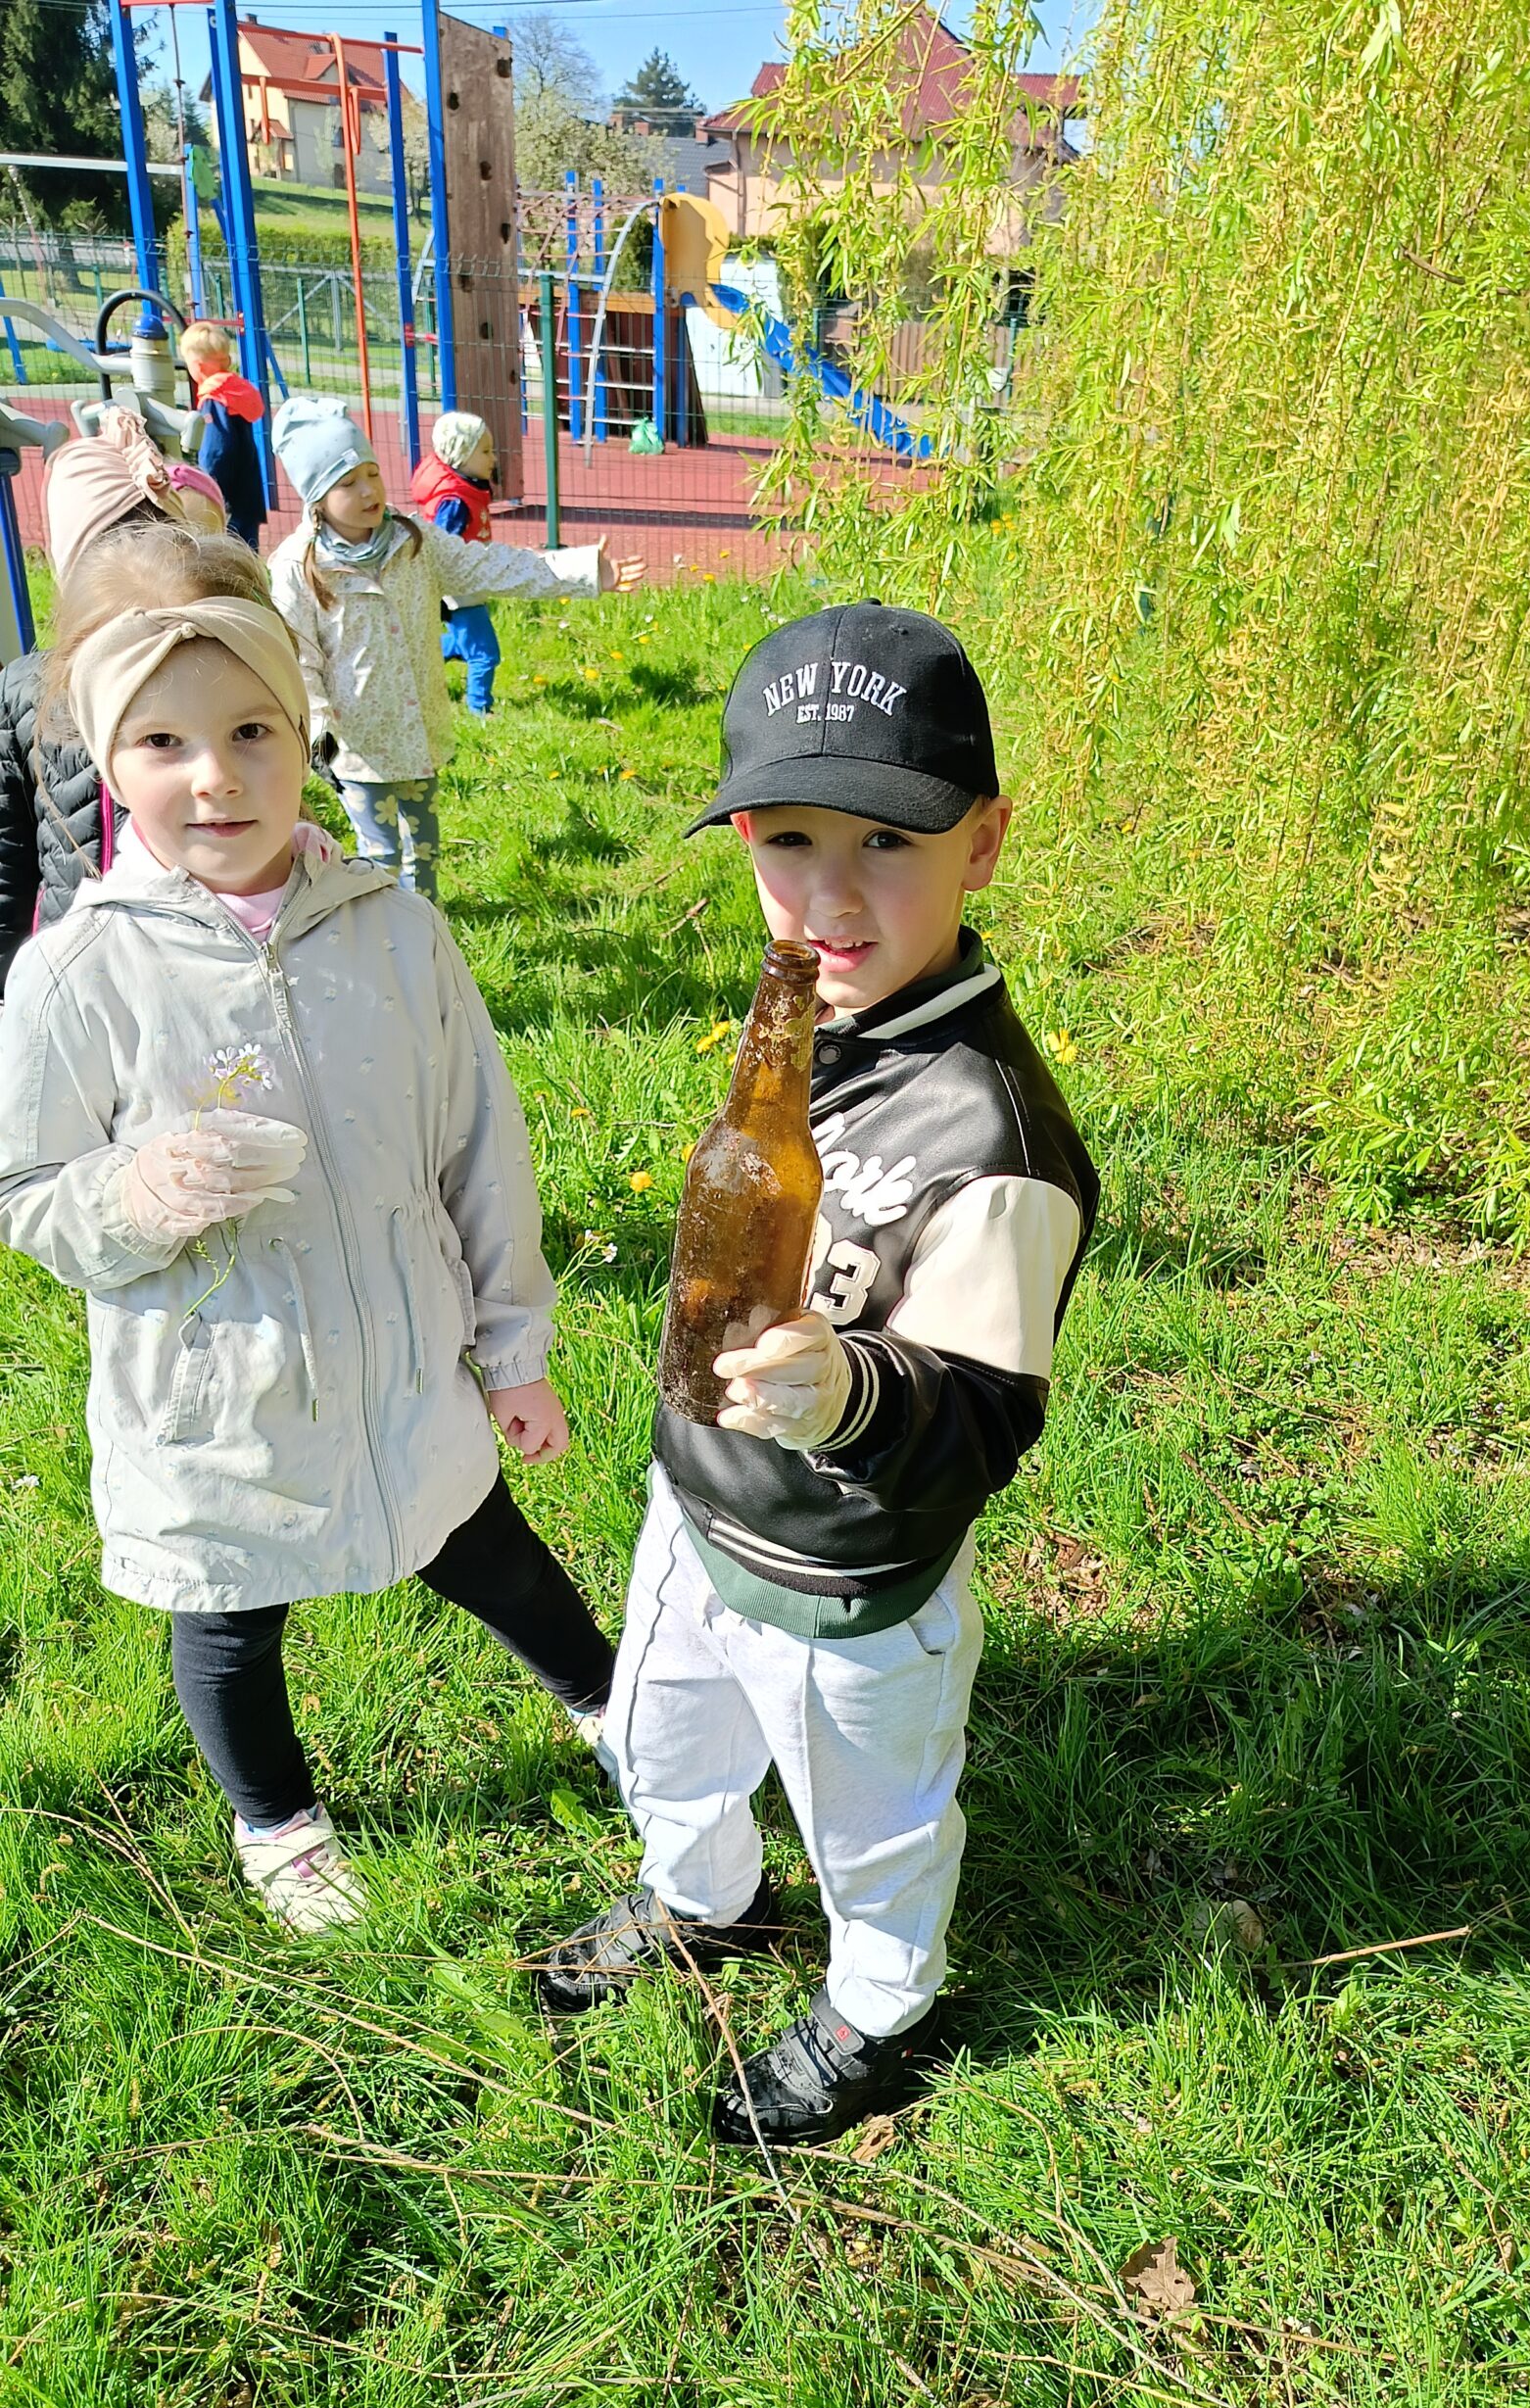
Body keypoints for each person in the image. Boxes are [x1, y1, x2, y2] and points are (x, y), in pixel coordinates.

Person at [535, 602, 1101, 2146]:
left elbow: (983, 1418)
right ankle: (702, 1896)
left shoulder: (990, 1137)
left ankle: (878, 2004)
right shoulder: (806, 1021)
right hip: (700, 1509)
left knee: (874, 1826)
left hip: (858, 1581)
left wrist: (855, 1396)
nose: (832, 894)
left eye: (888, 845)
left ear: (983, 843)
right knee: (663, 1747)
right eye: (790, 839)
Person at [0, 521, 616, 1931]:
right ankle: (276, 1818)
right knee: (226, 1616)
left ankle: (611, 1701)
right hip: (218, 1393)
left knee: (486, 1543)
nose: (215, 776)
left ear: (305, 729)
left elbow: (481, 1147)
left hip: (406, 1356)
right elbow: (26, 1191)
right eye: (163, 742)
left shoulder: (397, 931)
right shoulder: (76, 976)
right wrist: (133, 1195)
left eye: (250, 731)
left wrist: (514, 1348)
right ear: (108, 760)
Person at [267, 397, 644, 900]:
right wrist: (318, 736)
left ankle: (426, 925)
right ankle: (384, 931)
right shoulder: (297, 568)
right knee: (380, 855)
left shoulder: (413, 541)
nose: (368, 490)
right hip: (358, 747)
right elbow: (298, 660)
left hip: (418, 732)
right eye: (347, 482)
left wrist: (583, 571)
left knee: (424, 850)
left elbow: (493, 566)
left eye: (373, 473)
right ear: (316, 498)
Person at [0, 412, 215, 1001]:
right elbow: (9, 860)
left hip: (199, 951)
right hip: (76, 964)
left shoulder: (209, 664)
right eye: (111, 555)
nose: (134, 577)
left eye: (155, 545)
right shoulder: (27, 692)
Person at [410, 410, 502, 716]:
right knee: (484, 653)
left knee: (461, 643)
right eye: (485, 451)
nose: (493, 458)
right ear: (461, 455)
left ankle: (415, 657)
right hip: (459, 591)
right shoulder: (455, 501)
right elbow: (439, 547)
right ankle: (480, 709)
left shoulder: (465, 491)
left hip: (466, 585)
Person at [180, 322, 265, 550]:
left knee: (225, 553)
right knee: (247, 550)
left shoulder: (214, 400)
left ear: (198, 367)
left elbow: (216, 450)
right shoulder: (236, 391)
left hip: (225, 498)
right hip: (247, 492)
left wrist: (205, 484)